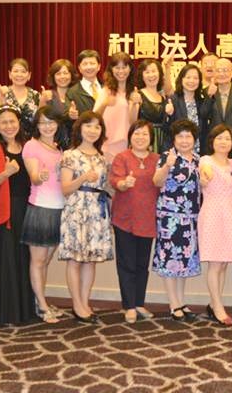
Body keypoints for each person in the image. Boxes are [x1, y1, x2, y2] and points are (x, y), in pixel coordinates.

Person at [0, 106, 35, 325]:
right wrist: (6, 173)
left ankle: (24, 311)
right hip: (3, 210)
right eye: (3, 122)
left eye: (12, 121)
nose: (9, 126)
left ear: (19, 123)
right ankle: (5, 312)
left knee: (23, 258)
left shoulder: (27, 146)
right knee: (5, 259)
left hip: (26, 208)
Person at [59, 111, 114, 324]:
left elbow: (106, 187)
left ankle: (84, 302)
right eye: (88, 125)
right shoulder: (70, 155)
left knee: (90, 260)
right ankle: (76, 305)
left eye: (97, 126)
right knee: (75, 259)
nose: (92, 130)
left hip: (97, 211)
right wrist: (82, 177)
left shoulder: (102, 158)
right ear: (79, 128)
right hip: (76, 210)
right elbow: (65, 189)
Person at [152, 120, 202, 321]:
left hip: (191, 218)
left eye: (188, 136)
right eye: (180, 136)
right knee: (170, 259)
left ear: (194, 139)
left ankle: (181, 302)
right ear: (173, 139)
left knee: (184, 260)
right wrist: (167, 166)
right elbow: (156, 181)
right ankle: (173, 304)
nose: (184, 140)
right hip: (170, 217)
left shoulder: (198, 160)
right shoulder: (167, 156)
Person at [110, 120, 160, 324]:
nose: (140, 137)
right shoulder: (122, 157)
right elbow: (116, 181)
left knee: (142, 264)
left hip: (148, 218)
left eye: (145, 134)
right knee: (127, 264)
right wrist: (124, 183)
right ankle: (129, 306)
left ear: (151, 138)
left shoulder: (157, 159)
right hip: (125, 218)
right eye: (137, 133)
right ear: (130, 137)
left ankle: (139, 303)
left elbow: (162, 183)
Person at [21, 106, 66, 324]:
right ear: (37, 126)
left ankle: (40, 301)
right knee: (38, 261)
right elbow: (34, 176)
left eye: (51, 122)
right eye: (43, 123)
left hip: (58, 209)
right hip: (40, 208)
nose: (47, 127)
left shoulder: (58, 149)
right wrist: (40, 176)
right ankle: (41, 305)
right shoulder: (32, 145)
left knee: (45, 261)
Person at [198, 125, 232, 326]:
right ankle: (218, 307)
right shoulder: (206, 160)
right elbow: (204, 173)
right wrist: (205, 176)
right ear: (212, 141)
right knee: (215, 263)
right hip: (213, 214)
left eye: (227, 138)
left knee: (224, 263)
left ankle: (213, 303)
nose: (223, 142)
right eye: (219, 138)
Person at [95, 52, 139, 162]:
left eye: (124, 67)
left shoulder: (134, 92)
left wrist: (134, 104)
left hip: (126, 144)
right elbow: (94, 117)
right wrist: (104, 104)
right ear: (111, 69)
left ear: (130, 69)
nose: (121, 71)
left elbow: (133, 121)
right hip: (106, 145)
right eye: (117, 68)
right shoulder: (105, 91)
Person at [167, 64, 213, 154]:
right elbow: (166, 128)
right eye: (188, 77)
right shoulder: (173, 100)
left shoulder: (202, 100)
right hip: (178, 151)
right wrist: (169, 115)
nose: (191, 81)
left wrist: (210, 96)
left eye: (195, 78)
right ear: (181, 79)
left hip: (199, 151)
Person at [136, 58, 175, 152]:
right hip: (145, 142)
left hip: (164, 142)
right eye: (147, 72)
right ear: (142, 76)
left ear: (159, 74)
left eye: (154, 71)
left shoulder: (163, 97)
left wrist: (167, 67)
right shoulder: (138, 95)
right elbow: (132, 121)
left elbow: (169, 90)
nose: (151, 75)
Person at [0, 58, 40, 136]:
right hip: (9, 138)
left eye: (23, 71)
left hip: (32, 139)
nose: (19, 74)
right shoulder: (0, 94)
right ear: (10, 74)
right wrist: (3, 97)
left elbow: (40, 120)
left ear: (29, 75)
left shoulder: (36, 95)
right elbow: (1, 118)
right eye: (15, 71)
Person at [40, 58, 79, 148]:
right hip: (53, 143)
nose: (62, 76)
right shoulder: (47, 95)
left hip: (75, 143)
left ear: (71, 75)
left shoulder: (78, 94)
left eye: (65, 73)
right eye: (58, 73)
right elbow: (39, 121)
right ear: (53, 76)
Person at [66, 49, 102, 119]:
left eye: (92, 63)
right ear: (79, 68)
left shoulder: (108, 88)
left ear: (99, 67)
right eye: (85, 64)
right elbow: (67, 115)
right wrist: (70, 115)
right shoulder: (72, 92)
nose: (89, 67)